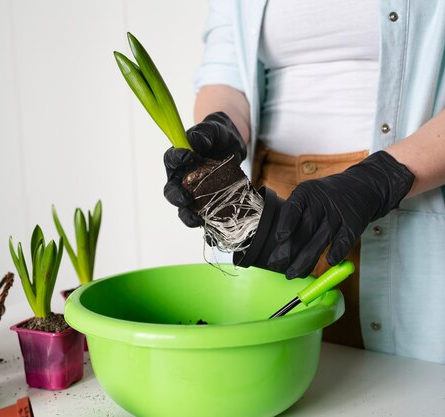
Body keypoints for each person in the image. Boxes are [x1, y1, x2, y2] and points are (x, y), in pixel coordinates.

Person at [163, 0, 445, 364]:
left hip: (405, 192)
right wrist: (222, 129)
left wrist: (381, 180)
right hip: (273, 211)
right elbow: (226, 73)